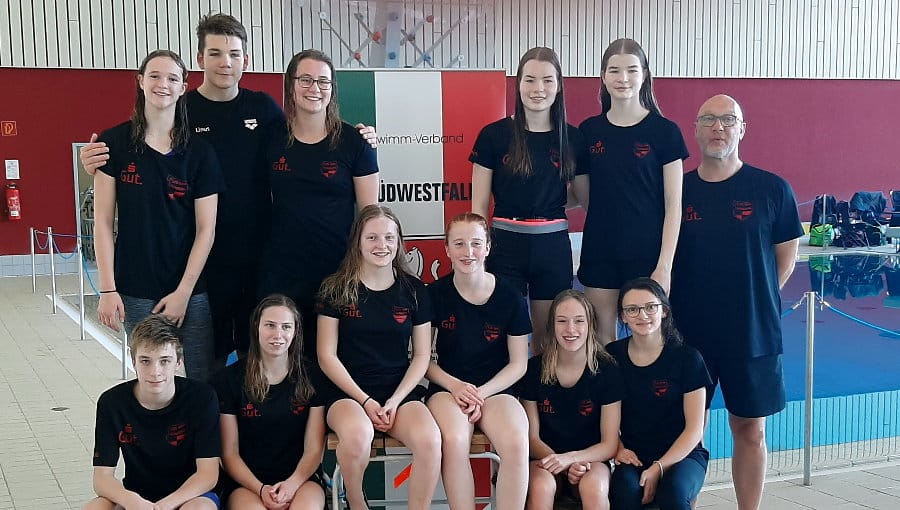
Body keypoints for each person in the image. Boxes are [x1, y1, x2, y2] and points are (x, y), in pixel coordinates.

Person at [80, 14, 377, 365]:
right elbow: (143, 141)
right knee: (207, 361)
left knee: (260, 355)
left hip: (258, 258)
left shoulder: (263, 109)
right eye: (216, 53)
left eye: (234, 54)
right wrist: (96, 158)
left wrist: (363, 138)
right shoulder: (181, 110)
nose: (226, 62)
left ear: (245, 60)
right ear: (200, 59)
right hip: (200, 261)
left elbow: (307, 136)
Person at [669, 94, 803, 510]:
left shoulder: (772, 189)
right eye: (708, 119)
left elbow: (785, 257)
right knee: (683, 430)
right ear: (695, 130)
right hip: (689, 334)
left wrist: (754, 297)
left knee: (750, 430)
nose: (718, 127)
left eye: (728, 120)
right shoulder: (677, 190)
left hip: (752, 332)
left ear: (742, 129)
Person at [92, 49, 223, 382]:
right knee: (152, 378)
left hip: (190, 289)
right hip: (135, 287)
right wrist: (107, 289)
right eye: (154, 76)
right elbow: (103, 222)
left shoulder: (200, 153)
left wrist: (184, 293)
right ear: (140, 81)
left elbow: (206, 229)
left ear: (182, 88)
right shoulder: (114, 143)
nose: (162, 84)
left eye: (172, 78)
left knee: (201, 380)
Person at [316, 205, 441, 510]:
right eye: (372, 237)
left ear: (399, 243)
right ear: (358, 242)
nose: (381, 245)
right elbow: (326, 355)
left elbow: (422, 355)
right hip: (348, 393)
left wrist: (395, 401)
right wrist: (366, 401)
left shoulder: (414, 290)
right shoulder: (335, 287)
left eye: (389, 237)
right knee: (358, 436)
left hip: (398, 391)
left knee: (430, 441)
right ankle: (357, 503)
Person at [259, 48, 380, 364]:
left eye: (323, 82)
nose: (315, 88)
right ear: (291, 85)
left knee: (335, 360)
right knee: (286, 361)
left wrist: (362, 270)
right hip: (282, 272)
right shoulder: (271, 138)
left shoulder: (355, 143)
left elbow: (370, 216)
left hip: (338, 271)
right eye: (306, 80)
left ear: (332, 89)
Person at [470, 46, 587, 354]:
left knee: (549, 340)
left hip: (552, 247)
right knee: (504, 337)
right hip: (504, 246)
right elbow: (478, 207)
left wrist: (549, 203)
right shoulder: (493, 135)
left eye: (547, 80)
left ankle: (542, 387)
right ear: (518, 84)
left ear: (559, 86)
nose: (538, 89)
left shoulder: (572, 138)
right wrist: (479, 253)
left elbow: (583, 197)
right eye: (530, 80)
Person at [573, 38, 687, 345]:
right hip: (601, 251)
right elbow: (586, 198)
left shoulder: (665, 132)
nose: (623, 78)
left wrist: (664, 266)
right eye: (614, 70)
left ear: (644, 75)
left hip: (647, 253)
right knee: (602, 340)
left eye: (631, 70)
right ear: (603, 76)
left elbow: (674, 206)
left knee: (651, 338)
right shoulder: (588, 131)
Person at [425, 212, 531, 510]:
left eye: (475, 243)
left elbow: (519, 363)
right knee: (455, 440)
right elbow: (422, 360)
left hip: (495, 389)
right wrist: (456, 386)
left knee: (516, 442)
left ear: (487, 247)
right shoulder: (434, 294)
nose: (467, 252)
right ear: (447, 249)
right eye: (459, 244)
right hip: (448, 389)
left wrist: (480, 393)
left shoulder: (510, 296)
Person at [85, 315, 221, 510]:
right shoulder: (112, 403)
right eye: (145, 361)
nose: (155, 371)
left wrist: (163, 507)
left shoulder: (201, 398)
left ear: (179, 361)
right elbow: (101, 478)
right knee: (95, 507)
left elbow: (208, 474)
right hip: (137, 495)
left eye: (164, 361)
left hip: (191, 494)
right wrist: (132, 501)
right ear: (133, 361)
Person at [606, 278, 710, 510]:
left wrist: (659, 467)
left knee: (673, 494)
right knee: (624, 493)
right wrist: (619, 448)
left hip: (684, 455)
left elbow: (694, 429)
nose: (642, 315)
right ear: (622, 316)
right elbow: (605, 416)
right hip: (634, 455)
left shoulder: (688, 358)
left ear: (664, 311)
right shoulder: (613, 357)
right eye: (632, 309)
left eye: (650, 307)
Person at [212, 294, 325, 510]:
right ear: (256, 326)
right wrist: (261, 489)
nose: (278, 335)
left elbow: (313, 450)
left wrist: (292, 485)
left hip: (301, 479)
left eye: (286, 327)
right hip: (247, 483)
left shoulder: (313, 376)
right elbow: (229, 454)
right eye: (270, 325)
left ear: (295, 331)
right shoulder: (228, 380)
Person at [520, 290, 623, 510]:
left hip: (590, 461)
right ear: (552, 326)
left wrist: (572, 459)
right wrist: (561, 463)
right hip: (545, 459)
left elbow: (609, 444)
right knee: (541, 487)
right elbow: (532, 439)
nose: (570, 329)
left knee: (594, 486)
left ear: (591, 325)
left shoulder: (607, 370)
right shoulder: (534, 369)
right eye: (562, 321)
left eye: (579, 321)